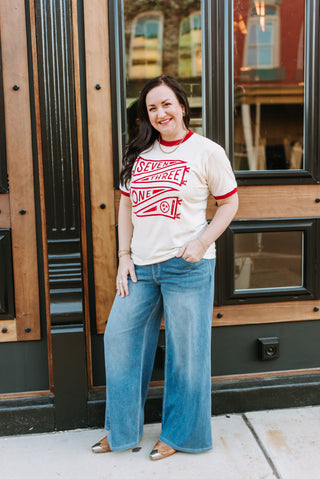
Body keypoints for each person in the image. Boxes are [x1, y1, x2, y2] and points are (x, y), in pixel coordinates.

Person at [92, 75, 238, 460]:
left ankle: (178, 435)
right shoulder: (139, 154)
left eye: (166, 104)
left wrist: (203, 241)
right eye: (152, 108)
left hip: (186, 266)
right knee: (119, 340)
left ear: (183, 106)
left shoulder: (207, 152)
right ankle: (121, 432)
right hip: (141, 267)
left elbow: (229, 204)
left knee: (186, 353)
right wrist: (124, 256)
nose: (160, 113)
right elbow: (126, 205)